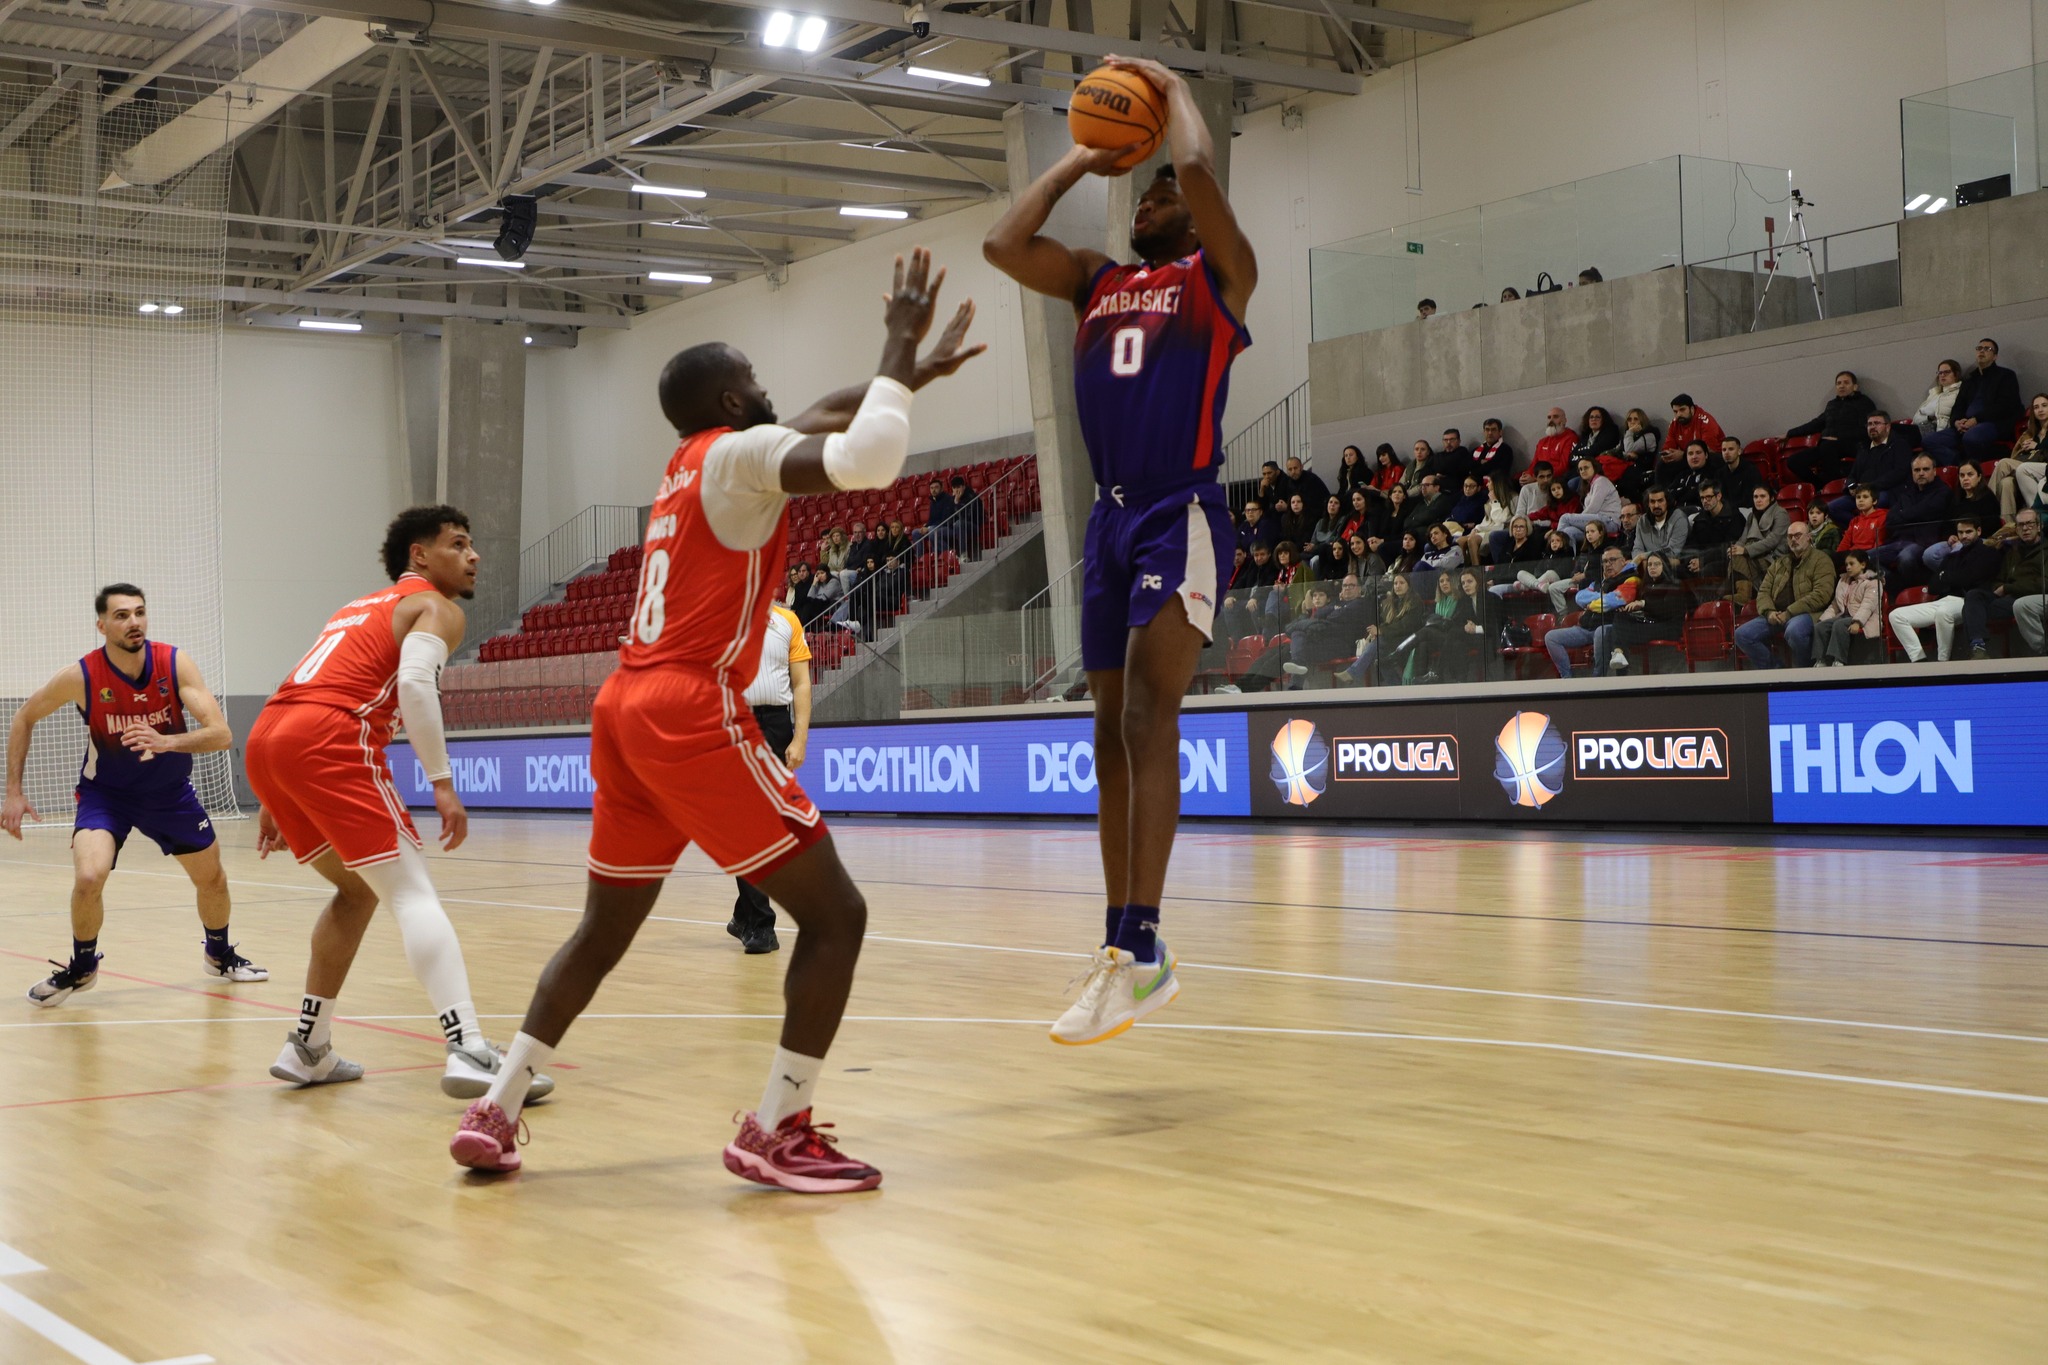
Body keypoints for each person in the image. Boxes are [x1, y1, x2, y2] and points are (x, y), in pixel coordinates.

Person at [450, 248, 982, 1181]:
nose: (770, 393)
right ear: (735, 405)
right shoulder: (740, 455)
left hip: (621, 706)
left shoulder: (689, 462)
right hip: (690, 704)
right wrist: (897, 342)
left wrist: (909, 373)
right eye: (756, 382)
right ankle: (776, 1127)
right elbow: (868, 456)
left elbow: (816, 416)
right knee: (837, 917)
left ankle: (496, 1110)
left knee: (601, 931)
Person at [983, 54, 1255, 1046]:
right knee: (1104, 733)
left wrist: (1174, 98)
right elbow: (1000, 241)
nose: (1145, 203)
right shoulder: (1095, 283)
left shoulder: (1218, 278)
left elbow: (1200, 180)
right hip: (1105, 520)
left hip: (1175, 512)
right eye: (1138, 193)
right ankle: (1121, 950)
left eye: (1158, 192)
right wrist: (1077, 156)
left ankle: (1142, 940)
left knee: (1148, 713)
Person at [243, 508, 547, 1102]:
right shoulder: (437, 607)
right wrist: (441, 780)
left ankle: (307, 1047)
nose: (473, 555)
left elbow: (310, 685)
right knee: (413, 894)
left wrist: (275, 789)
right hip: (331, 736)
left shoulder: (356, 607)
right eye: (459, 544)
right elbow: (413, 686)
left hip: (270, 736)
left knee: (356, 892)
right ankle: (469, 1049)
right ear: (420, 556)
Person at [4, 584, 264, 1006]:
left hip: (169, 794)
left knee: (212, 880)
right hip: (106, 795)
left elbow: (222, 735)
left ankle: (219, 955)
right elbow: (23, 717)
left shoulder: (174, 663)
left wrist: (167, 742)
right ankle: (82, 967)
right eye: (122, 615)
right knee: (89, 877)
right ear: (102, 624)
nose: (134, 622)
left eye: (140, 613)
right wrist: (13, 791)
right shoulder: (82, 676)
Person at [727, 600, 814, 954]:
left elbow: (802, 683)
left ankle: (746, 916)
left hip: (776, 724)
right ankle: (760, 925)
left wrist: (800, 737)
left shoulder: (788, 621)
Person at [1889, 516, 1998, 662]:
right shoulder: (1952, 557)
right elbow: (1933, 586)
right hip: (1944, 600)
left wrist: (1946, 576)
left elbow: (1971, 579)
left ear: (1978, 531)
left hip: (1969, 601)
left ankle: (1943, 661)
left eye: (1968, 531)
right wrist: (1955, 577)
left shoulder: (1987, 553)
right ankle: (1919, 660)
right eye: (1960, 532)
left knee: (1943, 613)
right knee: (1896, 615)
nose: (1964, 536)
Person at [1734, 518, 1834, 667]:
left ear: (1809, 538)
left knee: (1794, 631)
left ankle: (1806, 670)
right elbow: (1763, 591)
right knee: (1742, 634)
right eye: (1790, 536)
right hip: (1777, 614)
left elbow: (1822, 595)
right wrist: (1769, 612)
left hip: (1808, 614)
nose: (1793, 539)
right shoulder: (1779, 563)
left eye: (1798, 535)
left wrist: (1789, 612)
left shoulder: (1821, 560)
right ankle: (1776, 670)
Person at [1958, 509, 2047, 658]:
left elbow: (2044, 583)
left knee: (1972, 612)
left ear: (2039, 526)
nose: (2025, 528)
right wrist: (1999, 588)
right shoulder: (2013, 551)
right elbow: (1999, 579)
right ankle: (1978, 647)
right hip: (2008, 600)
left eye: (2030, 524)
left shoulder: (2045, 550)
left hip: (2032, 599)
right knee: (1974, 597)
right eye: (2020, 525)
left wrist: (2008, 588)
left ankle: (2043, 651)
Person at [1543, 544, 1639, 678]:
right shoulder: (1600, 581)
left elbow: (1613, 601)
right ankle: (1567, 678)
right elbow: (1580, 597)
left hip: (1611, 627)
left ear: (1623, 561)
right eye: (1605, 561)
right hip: (1587, 627)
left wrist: (1593, 603)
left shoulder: (1631, 579)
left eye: (1613, 560)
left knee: (1600, 632)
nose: (1608, 564)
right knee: (1551, 637)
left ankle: (1597, 677)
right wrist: (1603, 599)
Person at [1924, 338, 2023, 466]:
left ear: (1995, 356)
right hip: (1966, 426)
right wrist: (1957, 421)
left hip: (1993, 423)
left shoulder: (2006, 376)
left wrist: (1976, 419)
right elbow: (1958, 407)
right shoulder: (1970, 380)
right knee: (1929, 441)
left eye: (1987, 349)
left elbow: (2005, 406)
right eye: (1979, 348)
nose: (1982, 351)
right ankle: (1961, 465)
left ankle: (1972, 469)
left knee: (1971, 437)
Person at [1783, 370, 1877, 486]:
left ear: (1855, 386)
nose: (1841, 386)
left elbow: (1867, 429)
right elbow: (1816, 424)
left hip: (1853, 445)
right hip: (1827, 445)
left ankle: (1834, 485)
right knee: (1794, 461)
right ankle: (1820, 486)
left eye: (1846, 383)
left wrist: (1838, 438)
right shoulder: (1832, 404)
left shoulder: (1864, 403)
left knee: (1828, 446)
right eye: (1838, 383)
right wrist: (1789, 433)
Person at [1605, 551, 1690, 674]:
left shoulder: (1674, 584)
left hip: (1669, 627)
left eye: (1657, 564)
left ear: (1664, 566)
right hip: (1651, 623)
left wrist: (1643, 604)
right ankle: (1618, 653)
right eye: (1649, 565)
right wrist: (1631, 610)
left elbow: (1666, 610)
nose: (1652, 567)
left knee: (1622, 633)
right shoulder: (1647, 585)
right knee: (1621, 617)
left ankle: (1620, 661)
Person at [1873, 454, 1954, 583]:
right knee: (1865, 558)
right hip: (1899, 541)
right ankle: (1893, 583)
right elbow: (1890, 520)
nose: (1921, 473)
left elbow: (1924, 511)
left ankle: (1913, 590)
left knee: (1906, 558)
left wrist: (1904, 514)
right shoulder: (1906, 493)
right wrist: (1912, 514)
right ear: (1912, 472)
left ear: (1934, 471)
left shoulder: (1943, 492)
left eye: (1925, 469)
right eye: (1917, 470)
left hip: (1924, 543)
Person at [1825, 411, 1914, 524]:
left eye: (1876, 423)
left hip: (1887, 491)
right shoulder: (1864, 448)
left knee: (1877, 502)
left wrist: (1871, 486)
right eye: (1870, 424)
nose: (1872, 427)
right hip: (1862, 492)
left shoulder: (1899, 445)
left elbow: (1899, 473)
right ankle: (1859, 528)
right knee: (1832, 508)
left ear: (1888, 426)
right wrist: (1851, 487)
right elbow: (1853, 474)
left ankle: (1865, 529)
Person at [1812, 549, 1883, 667]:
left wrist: (1857, 622)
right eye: (1846, 565)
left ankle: (1839, 660)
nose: (1848, 567)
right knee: (1820, 626)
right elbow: (1835, 604)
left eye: (1851, 564)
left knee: (1839, 625)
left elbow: (1867, 606)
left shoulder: (1873, 582)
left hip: (1865, 618)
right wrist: (1823, 619)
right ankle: (1821, 660)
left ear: (1863, 565)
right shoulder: (1843, 580)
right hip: (1844, 615)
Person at [1929, 460, 2001, 572]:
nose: (1965, 478)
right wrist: (1950, 536)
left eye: (1970, 474)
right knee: (1930, 554)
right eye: (1962, 475)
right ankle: (1952, 576)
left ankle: (1957, 579)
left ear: (1979, 477)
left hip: (1980, 541)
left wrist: (1966, 537)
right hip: (1958, 539)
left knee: (1958, 550)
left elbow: (1992, 526)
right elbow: (1947, 522)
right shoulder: (1956, 498)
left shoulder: (1988, 498)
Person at [1988, 392, 2048, 527]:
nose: (2040, 410)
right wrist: (2024, 447)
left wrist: (2038, 446)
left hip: (2043, 468)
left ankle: (1987, 505)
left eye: (2044, 405)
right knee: (2006, 483)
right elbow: (2015, 456)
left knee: (2003, 463)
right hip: (2024, 466)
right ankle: (2008, 526)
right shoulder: (2029, 433)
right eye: (2036, 407)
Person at [1727, 483, 1789, 602]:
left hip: (1773, 557)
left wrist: (1745, 550)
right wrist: (1735, 548)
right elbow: (1743, 538)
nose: (1758, 500)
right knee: (1735, 556)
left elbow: (1772, 541)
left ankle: (1744, 595)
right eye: (1756, 497)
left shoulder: (1780, 513)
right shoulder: (1751, 515)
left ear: (1771, 498)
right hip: (1754, 553)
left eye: (1762, 496)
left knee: (1740, 558)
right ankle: (1742, 594)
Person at [1680, 482, 1744, 580]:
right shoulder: (1700, 519)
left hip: (1726, 559)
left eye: (1708, 497)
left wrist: (1702, 561)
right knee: (1679, 570)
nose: (1705, 501)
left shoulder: (1734, 517)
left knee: (1707, 571)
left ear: (1718, 496)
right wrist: (1692, 559)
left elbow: (1729, 546)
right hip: (1702, 559)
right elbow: (1691, 544)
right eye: (1702, 498)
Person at [1558, 456, 1620, 544]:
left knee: (1565, 518)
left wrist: (1576, 520)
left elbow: (1593, 508)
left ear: (1594, 468)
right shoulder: (1589, 486)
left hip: (1609, 522)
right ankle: (1568, 556)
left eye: (1586, 467)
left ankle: (1556, 546)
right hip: (1595, 523)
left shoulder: (1601, 481)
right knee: (1569, 531)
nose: (1583, 471)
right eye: (1580, 469)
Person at [1633, 485, 1690, 563]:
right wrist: (1641, 558)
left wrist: (1644, 556)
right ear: (1648, 504)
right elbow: (1637, 549)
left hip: (1672, 565)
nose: (1656, 505)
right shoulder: (1642, 521)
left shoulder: (1679, 518)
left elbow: (1673, 552)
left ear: (1667, 502)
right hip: (1648, 564)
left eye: (1660, 501)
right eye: (1652, 501)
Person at [1912, 358, 1964, 434]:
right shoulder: (1934, 393)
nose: (1942, 375)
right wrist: (1929, 417)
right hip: (1922, 427)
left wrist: (1932, 414)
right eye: (1940, 373)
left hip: (1940, 430)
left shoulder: (1960, 391)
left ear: (1956, 374)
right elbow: (1915, 418)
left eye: (1947, 372)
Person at [1713, 435, 1766, 507]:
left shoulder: (1751, 470)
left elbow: (1751, 498)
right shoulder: (1719, 473)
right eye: (1724, 450)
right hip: (1727, 510)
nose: (1727, 453)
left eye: (1731, 449)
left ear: (1739, 451)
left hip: (1747, 509)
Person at [1837, 485, 1888, 557]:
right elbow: (1845, 543)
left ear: (1874, 501)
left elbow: (1879, 544)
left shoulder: (1882, 517)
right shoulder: (1854, 521)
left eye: (1865, 497)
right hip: (1853, 553)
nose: (1860, 500)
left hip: (1869, 554)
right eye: (1858, 497)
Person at [1468, 418, 1515, 485]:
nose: (1490, 433)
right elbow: (1466, 466)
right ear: (1484, 432)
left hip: (1496, 485)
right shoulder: (1475, 450)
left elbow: (1496, 470)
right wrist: (1480, 462)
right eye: (1487, 430)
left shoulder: (1505, 450)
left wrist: (1475, 467)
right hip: (1473, 486)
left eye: (1493, 430)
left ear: (1500, 432)